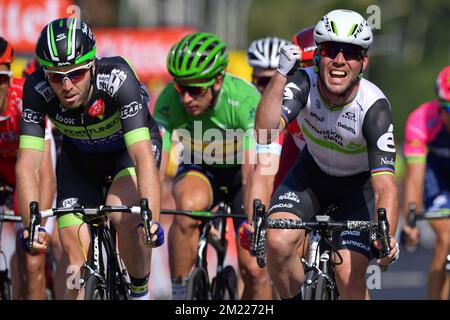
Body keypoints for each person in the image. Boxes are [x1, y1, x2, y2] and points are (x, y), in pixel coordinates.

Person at [254, 9, 399, 299]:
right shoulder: (302, 83)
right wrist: (281, 74)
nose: (340, 60)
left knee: (348, 274)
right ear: (319, 54)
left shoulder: (374, 107)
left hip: (356, 190)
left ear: (363, 62)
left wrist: (386, 235)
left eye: (352, 53)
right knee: (278, 242)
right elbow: (265, 133)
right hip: (311, 175)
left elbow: (385, 185)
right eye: (332, 50)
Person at [15, 17, 164, 300]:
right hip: (80, 161)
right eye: (56, 77)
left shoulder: (117, 78)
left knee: (122, 215)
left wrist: (151, 219)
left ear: (92, 65)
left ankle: (140, 293)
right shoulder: (36, 89)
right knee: (73, 261)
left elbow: (142, 156)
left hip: (126, 155)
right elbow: (27, 164)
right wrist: (30, 225)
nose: (66, 85)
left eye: (76, 74)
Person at [153, 32, 267, 300]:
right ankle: (180, 295)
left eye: (195, 90)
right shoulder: (169, 99)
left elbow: (252, 169)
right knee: (186, 211)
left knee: (253, 268)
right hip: (200, 169)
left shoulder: (245, 98)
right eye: (181, 88)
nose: (186, 99)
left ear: (217, 81)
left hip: (242, 174)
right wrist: (150, 213)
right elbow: (156, 162)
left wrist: (253, 222)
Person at [0, 37, 57, 299]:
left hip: (27, 170)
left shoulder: (26, 99)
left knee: (33, 257)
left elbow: (44, 176)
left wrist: (38, 228)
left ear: (6, 78)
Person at [401, 65, 450, 300]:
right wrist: (411, 221)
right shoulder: (421, 120)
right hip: (438, 178)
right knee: (447, 237)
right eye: (448, 109)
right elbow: (414, 177)